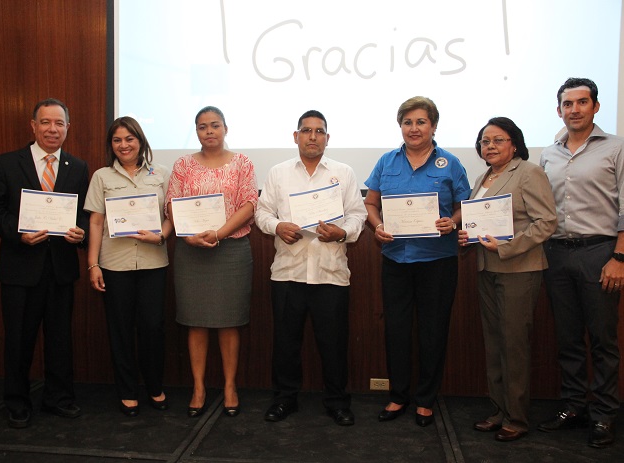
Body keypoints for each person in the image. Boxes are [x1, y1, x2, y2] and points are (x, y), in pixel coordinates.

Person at [0, 98, 89, 428]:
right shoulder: (6, 163)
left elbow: (85, 213)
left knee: (59, 339)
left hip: (60, 268)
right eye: (45, 122)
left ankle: (58, 398)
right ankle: (17, 401)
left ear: (68, 128)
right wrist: (19, 234)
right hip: (20, 267)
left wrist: (80, 233)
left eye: (59, 123)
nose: (52, 129)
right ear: (33, 126)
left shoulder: (78, 167)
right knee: (19, 339)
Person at [255, 110, 366, 426]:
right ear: (296, 136)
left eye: (319, 131)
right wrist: (277, 226)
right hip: (288, 272)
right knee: (286, 343)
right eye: (306, 130)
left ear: (327, 138)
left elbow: (357, 215)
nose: (313, 136)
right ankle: (284, 399)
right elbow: (262, 213)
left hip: (330, 272)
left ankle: (337, 402)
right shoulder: (278, 173)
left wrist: (342, 232)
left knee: (333, 344)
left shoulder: (343, 173)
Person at [364, 96, 470, 427]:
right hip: (396, 259)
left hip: (438, 260)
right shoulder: (386, 161)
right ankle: (398, 396)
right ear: (401, 127)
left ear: (433, 126)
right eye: (408, 122)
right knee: (396, 330)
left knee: (432, 330)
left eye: (421, 122)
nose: (414, 128)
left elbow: (465, 207)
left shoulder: (450, 163)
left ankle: (425, 400)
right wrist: (377, 225)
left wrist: (452, 222)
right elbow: (371, 202)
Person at [537, 78, 624, 448]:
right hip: (556, 252)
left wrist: (619, 256)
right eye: (568, 104)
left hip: (600, 253)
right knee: (568, 337)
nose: (574, 109)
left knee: (603, 340)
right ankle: (574, 406)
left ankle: (604, 414)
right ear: (559, 110)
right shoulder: (548, 153)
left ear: (596, 107)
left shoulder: (616, 148)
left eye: (582, 102)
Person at [458, 117, 557, 441]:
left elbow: (546, 222)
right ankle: (499, 410)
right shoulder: (482, 177)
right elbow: (480, 223)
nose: (490, 146)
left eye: (498, 140)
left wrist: (507, 247)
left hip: (519, 269)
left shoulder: (528, 173)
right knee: (495, 343)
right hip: (487, 269)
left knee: (514, 345)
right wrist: (466, 237)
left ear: (514, 144)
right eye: (485, 141)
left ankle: (517, 416)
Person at [165, 106, 258, 418]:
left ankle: (230, 386)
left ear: (225, 128)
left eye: (215, 125)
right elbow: (172, 204)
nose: (209, 131)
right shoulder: (182, 165)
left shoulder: (243, 162)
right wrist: (189, 235)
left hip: (231, 250)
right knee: (196, 319)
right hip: (191, 251)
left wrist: (218, 233)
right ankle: (199, 387)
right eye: (202, 127)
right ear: (197, 132)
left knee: (229, 319)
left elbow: (249, 204)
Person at [83, 116, 172, 416]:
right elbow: (95, 221)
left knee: (153, 327)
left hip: (153, 262)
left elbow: (172, 215)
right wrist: (93, 264)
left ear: (141, 141)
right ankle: (127, 391)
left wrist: (161, 235)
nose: (124, 145)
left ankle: (155, 387)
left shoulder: (161, 174)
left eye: (129, 139)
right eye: (117, 140)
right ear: (111, 145)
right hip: (114, 264)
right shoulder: (102, 177)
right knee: (119, 329)